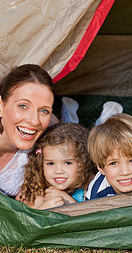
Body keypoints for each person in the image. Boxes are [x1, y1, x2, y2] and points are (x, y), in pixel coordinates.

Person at [0, 64, 55, 197]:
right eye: (23, 106)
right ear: (1, 107)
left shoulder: (47, 133)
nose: (34, 121)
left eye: (44, 111)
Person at [17, 122, 97, 209]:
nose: (58, 171)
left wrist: (68, 201)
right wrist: (44, 208)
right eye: (50, 163)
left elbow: (94, 219)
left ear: (83, 162)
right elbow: (29, 221)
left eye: (68, 163)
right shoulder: (41, 191)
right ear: (41, 164)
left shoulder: (91, 185)